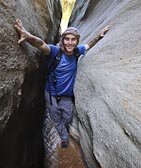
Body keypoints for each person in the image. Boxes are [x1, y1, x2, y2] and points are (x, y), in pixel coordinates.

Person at [14, 19, 110, 148]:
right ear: (63, 40)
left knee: (68, 117)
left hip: (66, 96)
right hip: (51, 95)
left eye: (73, 40)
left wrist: (99, 36)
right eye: (67, 39)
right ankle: (64, 138)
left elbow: (88, 45)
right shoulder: (55, 52)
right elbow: (41, 44)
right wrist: (27, 36)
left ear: (76, 41)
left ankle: (62, 129)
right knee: (55, 118)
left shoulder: (77, 51)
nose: (70, 43)